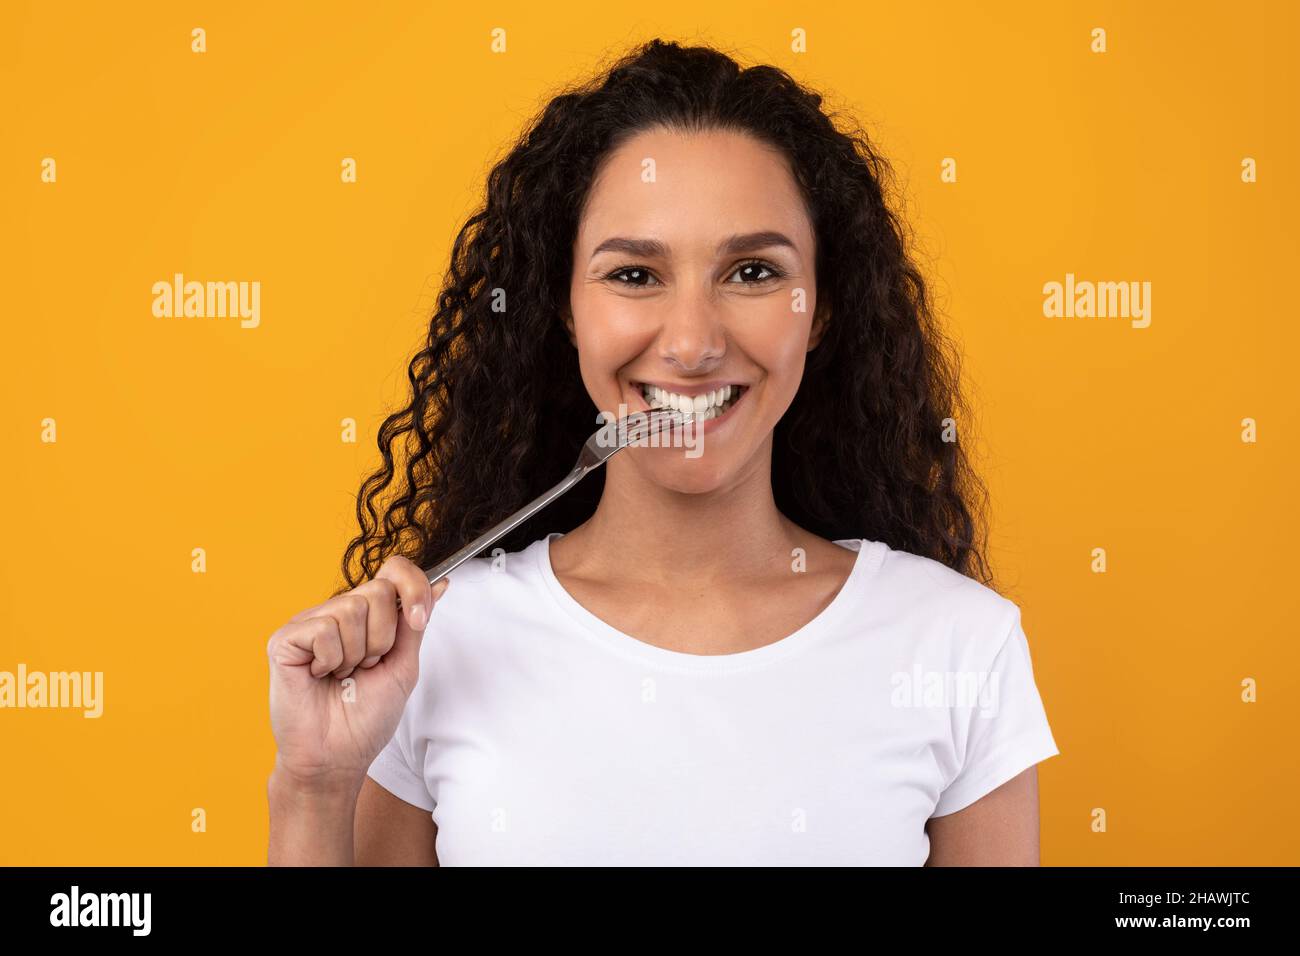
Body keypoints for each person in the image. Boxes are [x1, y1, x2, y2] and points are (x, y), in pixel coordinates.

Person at [266, 38, 1059, 866]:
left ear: (820, 308)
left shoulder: (957, 646)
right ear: (565, 307)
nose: (691, 344)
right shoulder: (436, 645)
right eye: (635, 275)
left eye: (752, 271)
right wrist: (315, 785)